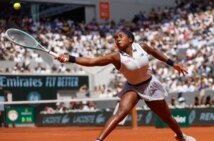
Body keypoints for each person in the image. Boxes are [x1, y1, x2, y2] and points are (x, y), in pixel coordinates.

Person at [56, 30, 196, 141]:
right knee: (121, 113)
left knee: (167, 118)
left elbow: (155, 53)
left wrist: (173, 64)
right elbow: (92, 61)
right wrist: (70, 58)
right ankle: (98, 140)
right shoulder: (116, 57)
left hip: (150, 86)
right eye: (115, 38)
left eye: (120, 36)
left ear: (130, 39)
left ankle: (181, 136)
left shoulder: (142, 47)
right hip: (132, 87)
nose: (117, 39)